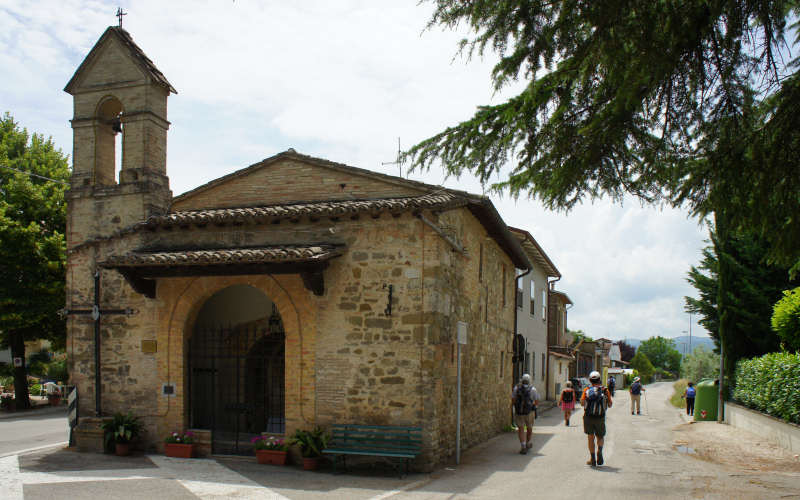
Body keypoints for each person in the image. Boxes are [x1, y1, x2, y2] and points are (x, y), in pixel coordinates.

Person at [580, 371, 612, 466]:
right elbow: (610, 404)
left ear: (590, 380)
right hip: (600, 417)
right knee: (600, 436)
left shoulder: (586, 389)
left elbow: (582, 403)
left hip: (588, 417)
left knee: (590, 437)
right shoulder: (605, 390)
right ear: (599, 379)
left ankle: (592, 459)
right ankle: (600, 451)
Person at [511, 373, 539, 454]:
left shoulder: (516, 388)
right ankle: (527, 443)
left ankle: (523, 446)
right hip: (529, 412)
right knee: (529, 428)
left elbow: (513, 399)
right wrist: (534, 407)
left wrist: (515, 407)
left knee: (521, 429)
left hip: (519, 412)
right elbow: (536, 401)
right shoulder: (533, 389)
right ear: (530, 381)